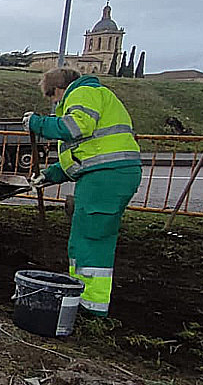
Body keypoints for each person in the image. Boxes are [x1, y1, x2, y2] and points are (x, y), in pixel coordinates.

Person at [23, 68, 142, 317]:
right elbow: (86, 152)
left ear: (58, 90)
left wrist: (38, 123)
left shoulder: (83, 93)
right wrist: (50, 174)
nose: (55, 105)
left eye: (53, 99)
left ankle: (90, 304)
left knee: (90, 239)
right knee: (88, 237)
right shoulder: (94, 95)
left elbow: (75, 127)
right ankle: (83, 296)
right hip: (107, 175)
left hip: (106, 177)